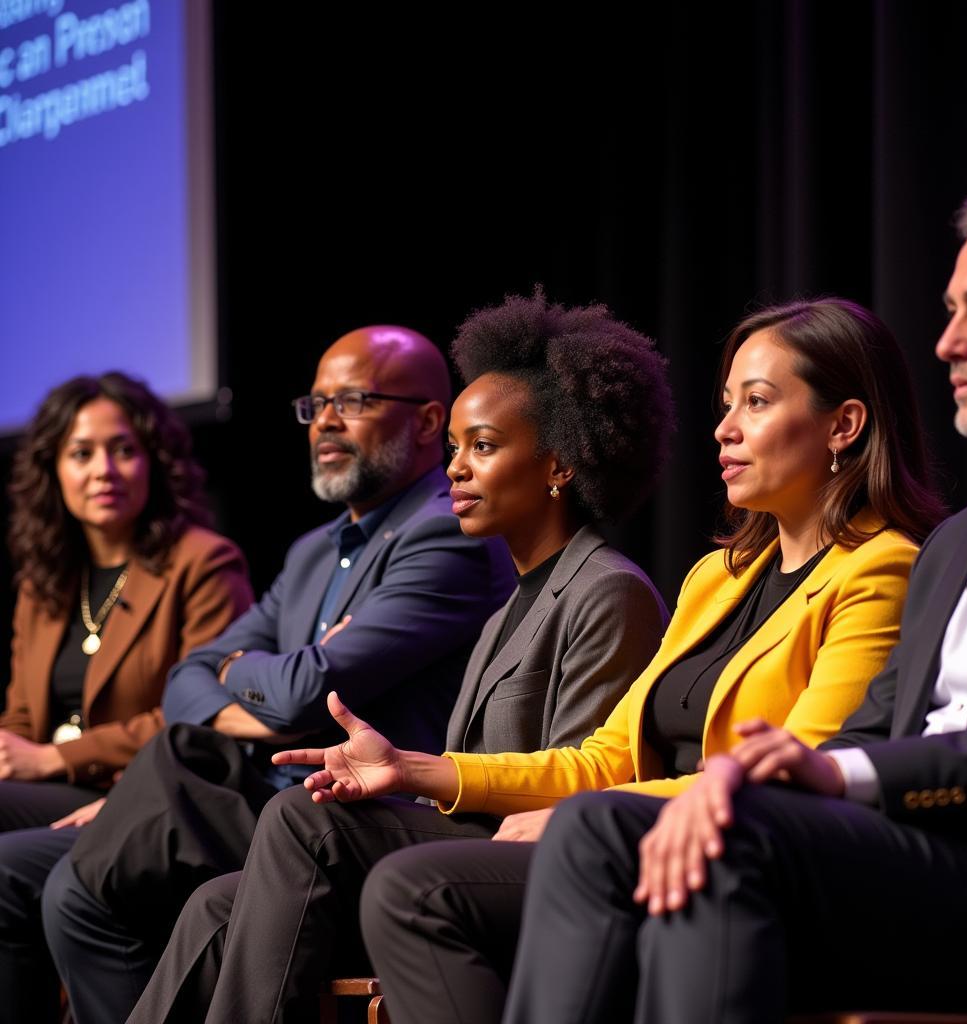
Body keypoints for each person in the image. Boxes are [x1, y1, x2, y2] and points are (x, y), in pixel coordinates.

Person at [494, 184, 967, 1024]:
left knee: (705, 834)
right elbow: (874, 725)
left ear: (843, 425)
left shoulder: (891, 558)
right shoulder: (964, 541)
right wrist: (756, 774)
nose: (949, 342)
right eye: (952, 310)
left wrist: (808, 775)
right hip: (895, 853)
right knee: (618, 831)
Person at [348, 295, 949, 1024]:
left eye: (755, 403)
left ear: (843, 426)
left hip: (742, 857)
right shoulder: (718, 575)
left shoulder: (883, 570)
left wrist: (593, 818)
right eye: (726, 403)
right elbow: (604, 758)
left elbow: (812, 773)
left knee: (414, 891)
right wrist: (412, 770)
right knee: (390, 876)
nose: (724, 430)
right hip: (632, 835)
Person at [123, 290, 675, 1023]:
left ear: (559, 466)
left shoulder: (607, 590)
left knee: (300, 821)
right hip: (462, 834)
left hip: (533, 857)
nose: (455, 470)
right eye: (454, 449)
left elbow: (582, 783)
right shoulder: (511, 600)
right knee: (216, 901)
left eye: (482, 446)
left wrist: (406, 778)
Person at [41, 326, 516, 1024]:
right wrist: (261, 690)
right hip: (267, 793)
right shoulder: (311, 554)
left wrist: (248, 676)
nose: (324, 420)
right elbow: (189, 678)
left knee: (85, 886)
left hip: (352, 816)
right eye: (316, 403)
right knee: (54, 877)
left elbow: (303, 692)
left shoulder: (446, 535)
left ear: (427, 421)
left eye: (351, 400)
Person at [0, 371, 254, 1024]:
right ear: (53, 469)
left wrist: (57, 759)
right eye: (81, 453)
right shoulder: (46, 583)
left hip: (151, 795)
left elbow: (205, 716)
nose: (103, 469)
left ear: (154, 462)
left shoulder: (202, 564)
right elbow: (24, 722)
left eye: (123, 449)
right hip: (69, 796)